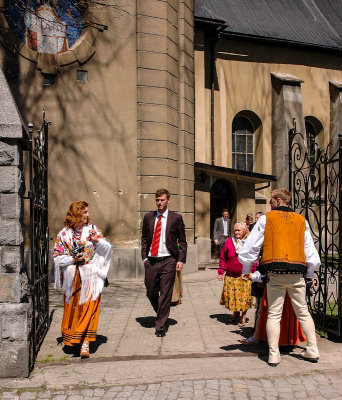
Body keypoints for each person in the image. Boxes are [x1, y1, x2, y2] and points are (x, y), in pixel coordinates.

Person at [239, 188, 320, 366]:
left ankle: (274, 354)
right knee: (303, 312)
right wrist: (310, 273)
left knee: (274, 314)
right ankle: (313, 349)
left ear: (277, 200)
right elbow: (310, 251)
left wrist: (246, 267)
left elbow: (251, 246)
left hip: (275, 273)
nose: (269, 204)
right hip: (296, 274)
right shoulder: (301, 220)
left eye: (270, 200)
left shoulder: (267, 219)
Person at [53, 201, 112, 358]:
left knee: (90, 308)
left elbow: (107, 249)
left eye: (87, 212)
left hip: (91, 276)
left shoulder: (92, 230)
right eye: (84, 212)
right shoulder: (63, 234)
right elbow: (57, 258)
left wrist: (97, 241)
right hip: (72, 279)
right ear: (76, 214)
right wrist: (73, 259)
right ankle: (75, 339)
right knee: (74, 310)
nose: (87, 215)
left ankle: (85, 343)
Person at [141, 188, 187, 337]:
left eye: (162, 200)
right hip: (151, 260)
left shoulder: (176, 218)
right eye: (157, 200)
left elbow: (183, 241)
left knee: (165, 294)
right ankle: (162, 314)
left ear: (168, 200)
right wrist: (145, 258)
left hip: (168, 259)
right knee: (151, 291)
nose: (159, 203)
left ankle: (160, 326)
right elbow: (144, 239)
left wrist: (180, 259)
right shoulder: (148, 217)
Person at [218, 222, 254, 327]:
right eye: (235, 230)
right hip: (231, 275)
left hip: (244, 275)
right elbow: (223, 258)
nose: (237, 232)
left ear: (245, 231)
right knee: (233, 297)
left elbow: (254, 258)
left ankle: (243, 315)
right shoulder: (229, 241)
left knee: (244, 297)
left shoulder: (249, 242)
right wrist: (221, 272)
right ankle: (235, 312)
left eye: (239, 230)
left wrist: (252, 272)